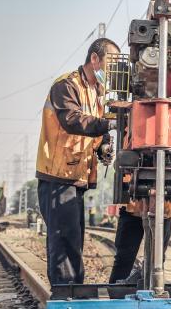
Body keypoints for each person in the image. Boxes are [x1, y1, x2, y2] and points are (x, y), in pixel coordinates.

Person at [36, 38, 118, 286]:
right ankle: (65, 298)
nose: (112, 72)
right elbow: (72, 120)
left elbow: (97, 127)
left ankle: (74, 293)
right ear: (95, 59)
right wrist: (110, 124)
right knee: (63, 240)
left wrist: (104, 144)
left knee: (74, 240)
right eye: (110, 64)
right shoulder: (66, 85)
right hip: (57, 176)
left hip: (76, 177)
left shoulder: (97, 93)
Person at [108, 200, 171, 284]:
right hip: (134, 209)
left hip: (163, 211)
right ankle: (115, 293)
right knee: (124, 258)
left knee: (157, 260)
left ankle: (155, 288)